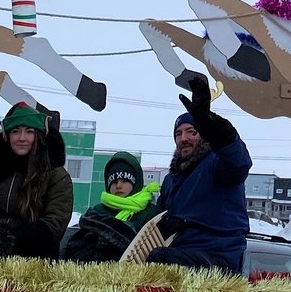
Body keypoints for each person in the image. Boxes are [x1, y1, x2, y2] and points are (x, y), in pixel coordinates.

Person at [145, 73, 254, 272]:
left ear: (204, 135)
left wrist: (210, 123)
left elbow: (239, 163)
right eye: (178, 134)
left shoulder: (216, 164)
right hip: (179, 253)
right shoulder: (171, 181)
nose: (183, 138)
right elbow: (155, 223)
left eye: (191, 132)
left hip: (218, 259)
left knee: (160, 258)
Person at [0, 103, 74, 259]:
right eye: (15, 131)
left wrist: (4, 239)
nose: (22, 138)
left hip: (33, 263)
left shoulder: (56, 176)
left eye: (29, 131)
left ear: (39, 135)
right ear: (7, 136)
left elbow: (54, 227)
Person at [61, 151, 162, 262]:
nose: (118, 186)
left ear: (135, 182)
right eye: (114, 182)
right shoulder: (97, 212)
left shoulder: (150, 213)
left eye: (124, 181)